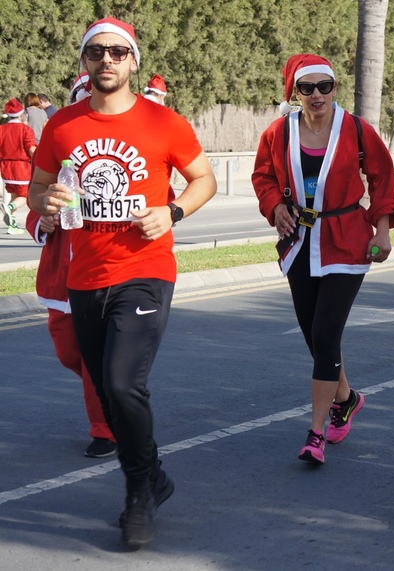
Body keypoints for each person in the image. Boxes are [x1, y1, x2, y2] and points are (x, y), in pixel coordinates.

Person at [27, 16, 217, 548]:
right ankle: (154, 474)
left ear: (133, 60)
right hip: (83, 277)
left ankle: (138, 493)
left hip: (145, 271)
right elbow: (37, 192)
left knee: (120, 382)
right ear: (84, 63)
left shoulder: (164, 122)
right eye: (96, 53)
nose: (106, 60)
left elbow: (205, 178)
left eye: (116, 52)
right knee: (107, 395)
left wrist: (173, 211)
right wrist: (47, 203)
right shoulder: (61, 126)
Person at [252, 53, 394, 466]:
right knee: (314, 336)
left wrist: (383, 229)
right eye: (307, 88)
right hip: (299, 241)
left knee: (326, 333)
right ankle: (348, 397)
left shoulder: (356, 129)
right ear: (294, 92)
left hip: (346, 240)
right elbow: (262, 175)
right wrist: (274, 207)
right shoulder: (278, 132)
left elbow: (382, 177)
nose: (317, 95)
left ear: (335, 88)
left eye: (326, 86)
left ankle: (315, 433)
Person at [25, 208, 116, 458]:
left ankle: (104, 430)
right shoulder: (54, 171)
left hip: (103, 276)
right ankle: (117, 391)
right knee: (67, 354)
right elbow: (37, 203)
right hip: (60, 281)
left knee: (92, 361)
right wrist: (42, 221)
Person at [0, 98, 36, 235]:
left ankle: (12, 224)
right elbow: (31, 149)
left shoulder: (2, 129)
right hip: (21, 166)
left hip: (5, 167)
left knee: (15, 194)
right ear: (21, 115)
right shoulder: (25, 129)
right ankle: (9, 207)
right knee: (25, 196)